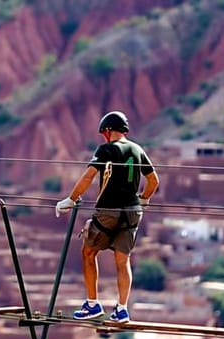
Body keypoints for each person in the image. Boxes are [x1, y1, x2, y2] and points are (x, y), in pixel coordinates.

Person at [55, 110, 159, 323]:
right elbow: (154, 180)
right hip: (132, 212)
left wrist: (71, 199)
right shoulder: (137, 149)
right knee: (123, 260)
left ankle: (92, 304)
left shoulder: (106, 150)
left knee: (88, 252)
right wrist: (144, 198)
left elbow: (88, 176)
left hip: (109, 211)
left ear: (108, 131)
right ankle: (122, 309)